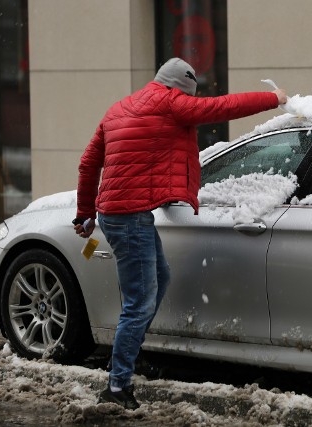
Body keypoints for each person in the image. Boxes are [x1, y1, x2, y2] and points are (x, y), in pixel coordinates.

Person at [73, 57, 287, 409]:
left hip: (115, 214)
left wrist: (84, 213)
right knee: (139, 302)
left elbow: (88, 163)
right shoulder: (171, 102)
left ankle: (126, 355)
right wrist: (273, 99)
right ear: (181, 88)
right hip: (129, 217)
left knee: (159, 277)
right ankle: (117, 386)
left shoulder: (119, 109)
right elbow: (223, 107)